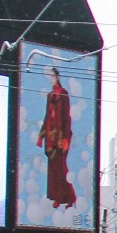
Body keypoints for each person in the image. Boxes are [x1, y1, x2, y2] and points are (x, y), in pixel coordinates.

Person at [39, 65, 77, 209]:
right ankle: (56, 197)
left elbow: (66, 117)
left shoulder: (63, 93)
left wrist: (65, 138)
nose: (50, 79)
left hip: (61, 136)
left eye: (52, 76)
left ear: (57, 77)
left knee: (62, 168)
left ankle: (70, 198)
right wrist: (42, 134)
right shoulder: (50, 95)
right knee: (53, 169)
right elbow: (47, 115)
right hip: (50, 136)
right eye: (49, 77)